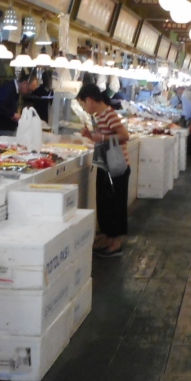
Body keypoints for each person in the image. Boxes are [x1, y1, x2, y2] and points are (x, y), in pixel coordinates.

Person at [78, 82, 130, 259]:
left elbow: (124, 136)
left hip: (116, 167)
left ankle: (116, 244)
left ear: (90, 100)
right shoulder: (99, 116)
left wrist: (102, 137)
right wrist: (90, 136)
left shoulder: (109, 114)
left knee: (115, 204)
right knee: (105, 204)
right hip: (105, 165)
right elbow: (102, 139)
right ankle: (109, 239)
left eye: (83, 105)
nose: (84, 109)